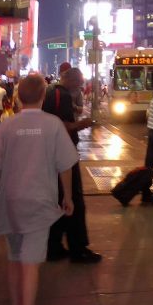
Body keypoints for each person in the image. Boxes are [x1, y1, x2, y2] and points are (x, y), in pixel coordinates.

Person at [0, 74, 78, 305]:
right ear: (43, 97)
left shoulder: (7, 125)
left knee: (15, 259)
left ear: (18, 97)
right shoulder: (53, 124)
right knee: (30, 263)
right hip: (39, 201)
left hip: (10, 201)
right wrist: (68, 196)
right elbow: (64, 165)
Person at [42, 68, 100, 263]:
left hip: (51, 154)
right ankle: (78, 248)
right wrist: (82, 124)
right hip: (64, 153)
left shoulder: (51, 91)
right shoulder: (63, 95)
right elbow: (61, 125)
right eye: (79, 82)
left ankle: (54, 245)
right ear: (72, 80)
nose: (80, 86)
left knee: (58, 198)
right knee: (74, 198)